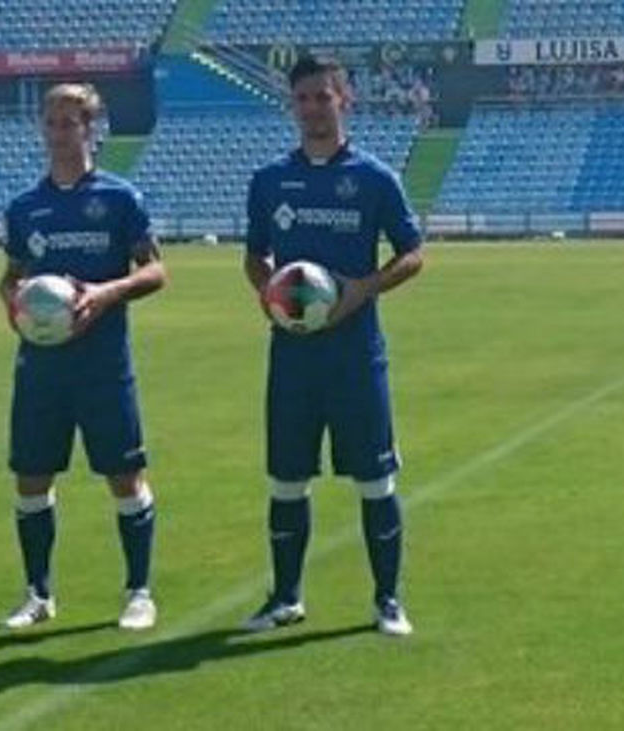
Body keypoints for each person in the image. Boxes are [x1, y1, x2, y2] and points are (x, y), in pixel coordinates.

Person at [241, 56, 425, 637]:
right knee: (286, 479)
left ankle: (387, 601)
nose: (313, 108)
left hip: (355, 355)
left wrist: (361, 290)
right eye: (303, 98)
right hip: (292, 356)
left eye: (323, 96)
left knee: (375, 479)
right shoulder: (270, 180)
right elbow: (255, 256)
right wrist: (269, 293)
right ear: (292, 106)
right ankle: (285, 598)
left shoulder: (374, 178)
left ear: (344, 99)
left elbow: (412, 253)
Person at [0, 83, 167, 631]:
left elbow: (155, 270)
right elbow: (10, 277)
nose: (59, 133)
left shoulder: (120, 199)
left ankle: (139, 592)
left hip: (103, 366)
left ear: (92, 129)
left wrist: (104, 293)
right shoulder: (25, 208)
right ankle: (38, 594)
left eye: (70, 123)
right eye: (51, 123)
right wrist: (15, 304)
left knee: (124, 476)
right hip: (41, 366)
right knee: (31, 477)